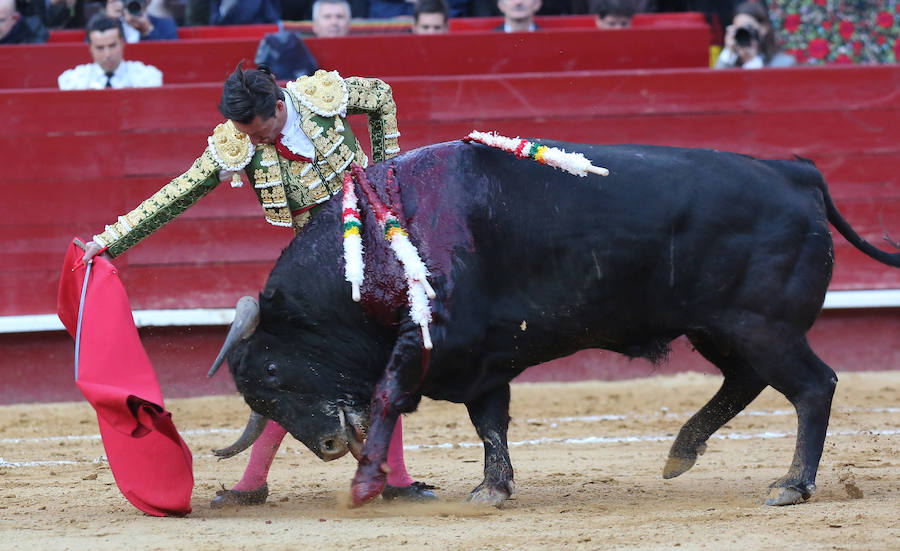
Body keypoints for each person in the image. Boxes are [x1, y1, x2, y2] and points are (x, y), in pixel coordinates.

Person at [81, 63, 436, 507]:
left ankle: (389, 478)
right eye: (245, 133)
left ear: (277, 105)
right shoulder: (238, 142)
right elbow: (177, 192)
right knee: (291, 365)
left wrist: (386, 171)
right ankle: (261, 483)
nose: (254, 140)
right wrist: (110, 240)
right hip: (314, 267)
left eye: (260, 129)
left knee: (380, 353)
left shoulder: (322, 97)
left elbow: (381, 96)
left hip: (373, 244)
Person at [58, 14, 162, 90]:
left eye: (112, 46)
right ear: (90, 48)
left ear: (122, 43)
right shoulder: (72, 81)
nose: (107, 54)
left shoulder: (147, 77)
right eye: (100, 48)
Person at [715, 1, 795, 69]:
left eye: (748, 27)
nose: (744, 33)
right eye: (739, 29)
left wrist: (752, 61)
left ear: (764, 28)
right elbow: (715, 83)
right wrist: (728, 52)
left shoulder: (783, 63)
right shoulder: (730, 63)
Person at [104, 0, 177, 43]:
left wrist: (148, 31)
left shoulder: (166, 25)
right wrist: (110, 21)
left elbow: (171, 57)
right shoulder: (108, 21)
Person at [209, 0, 280, 25]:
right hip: (227, 43)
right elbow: (214, 23)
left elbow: (272, 20)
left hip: (255, 41)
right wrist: (224, 9)